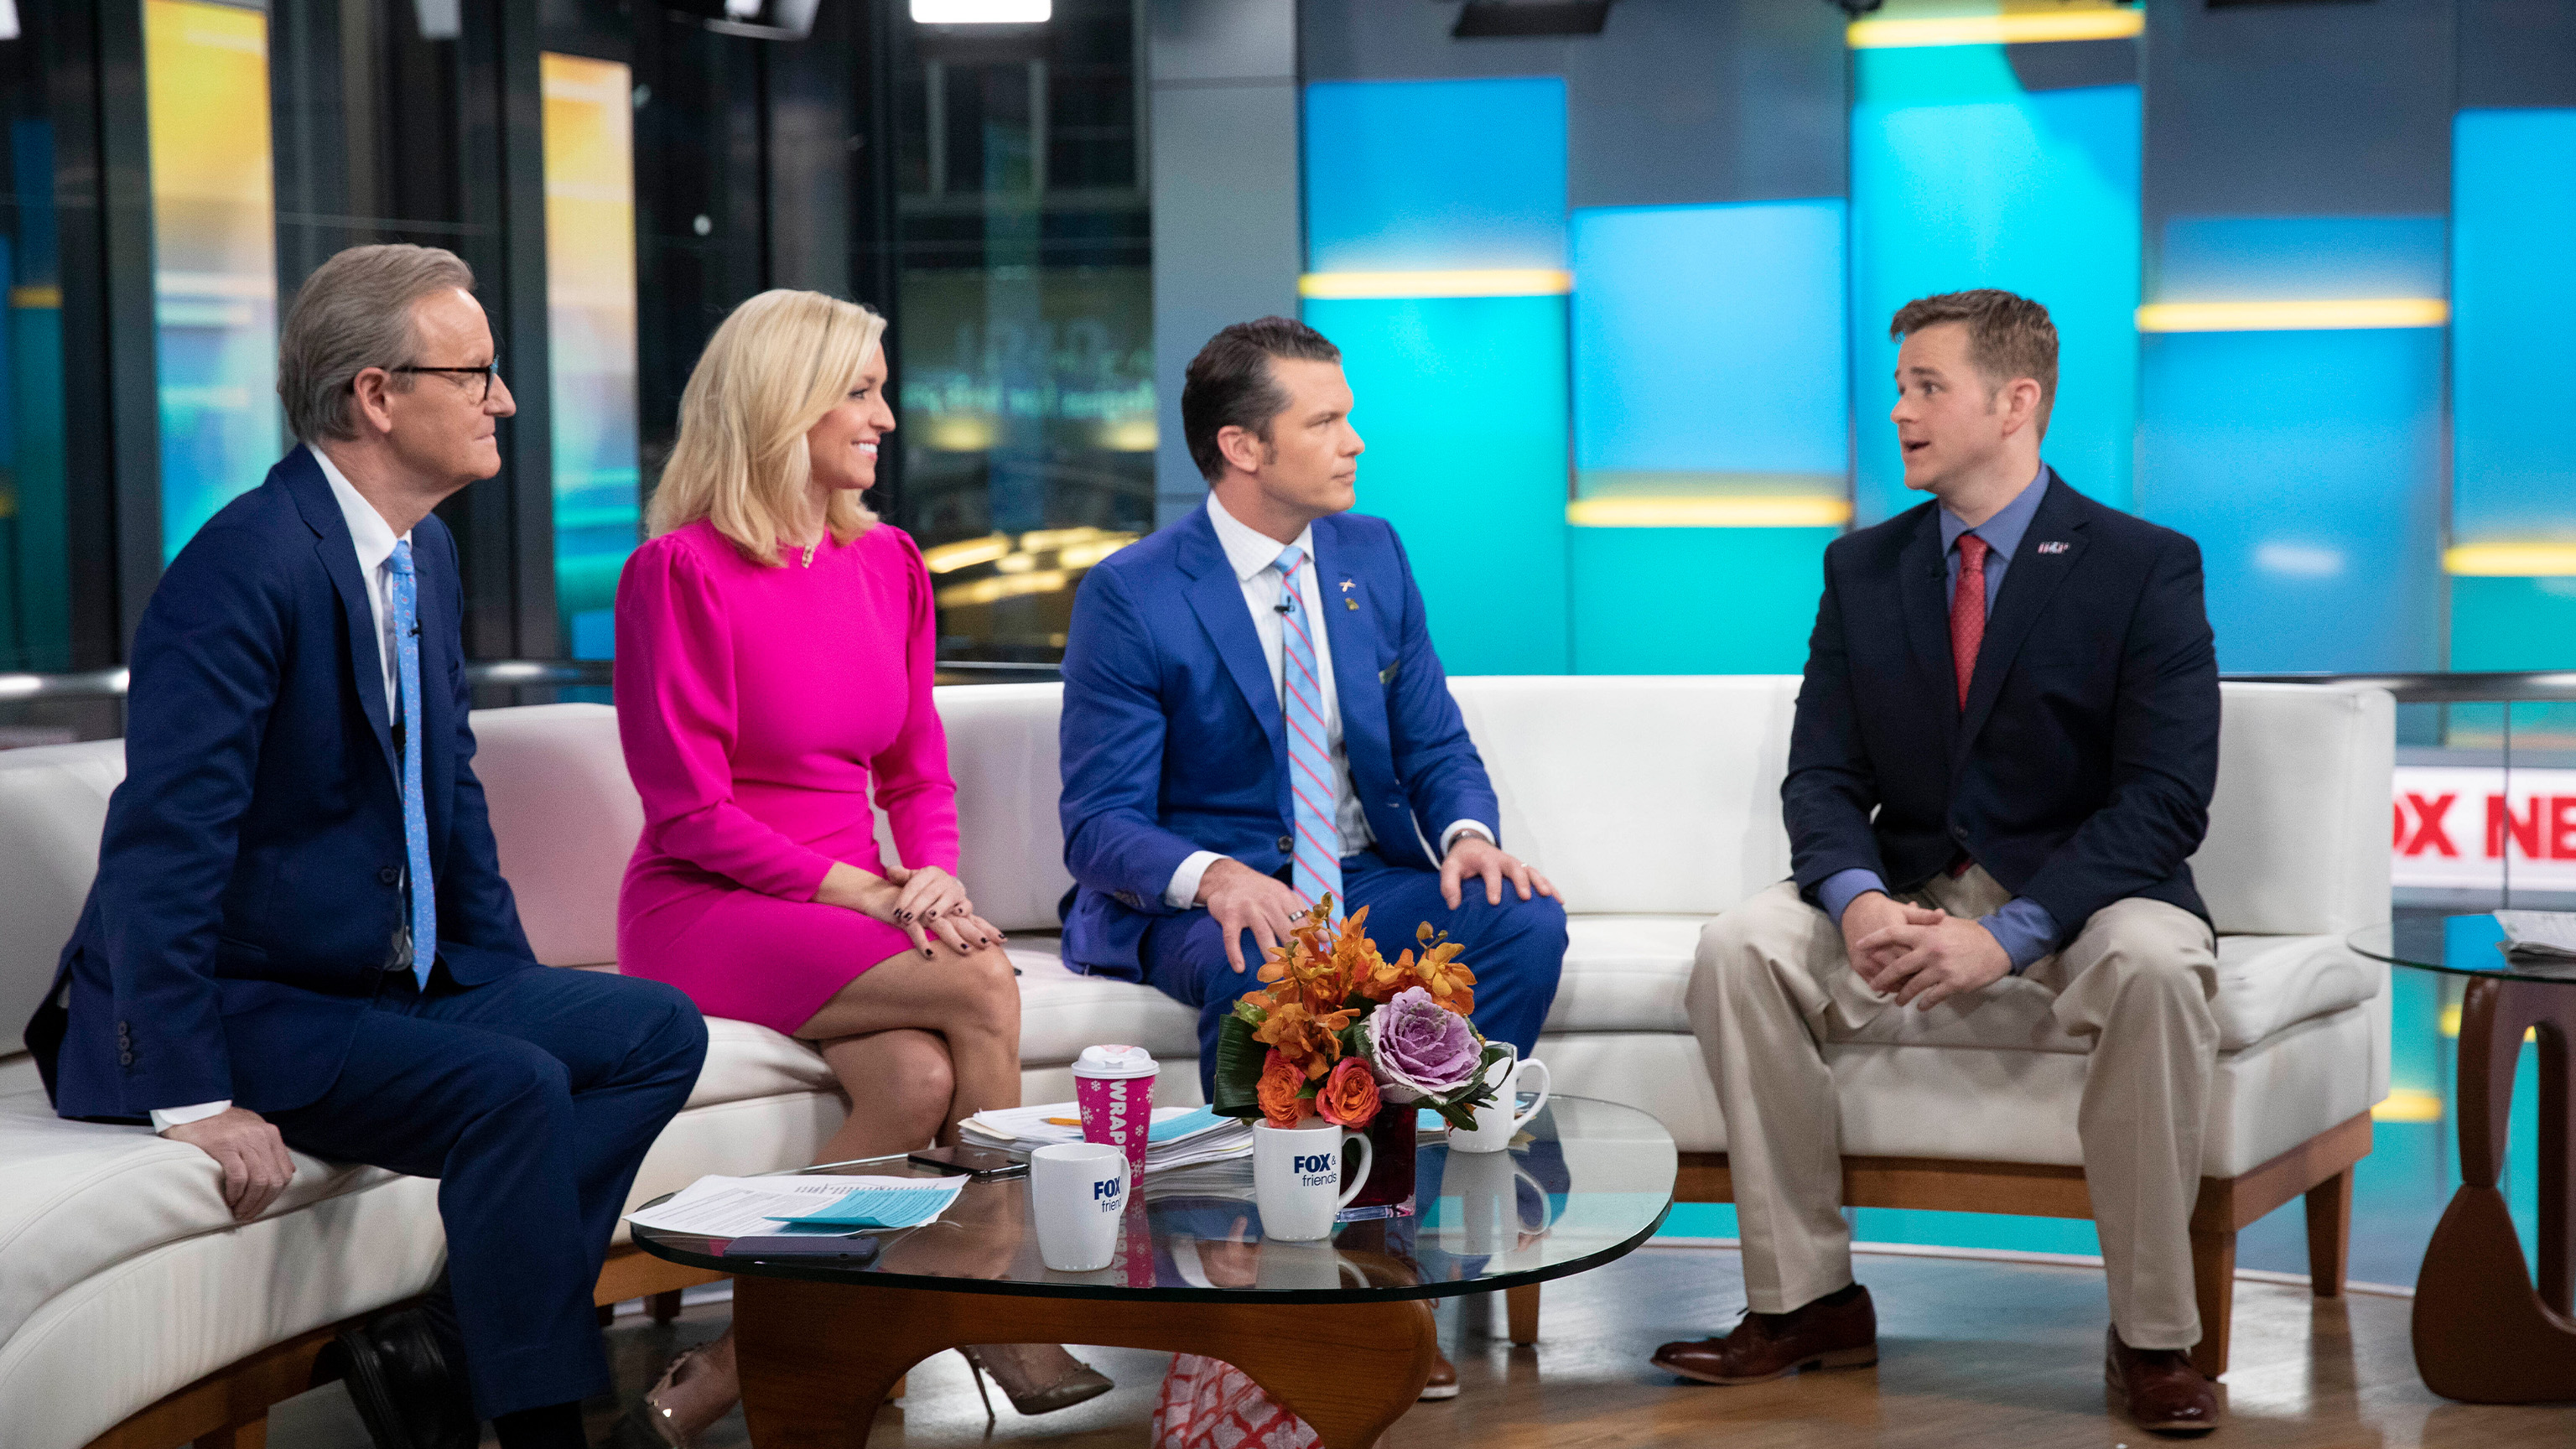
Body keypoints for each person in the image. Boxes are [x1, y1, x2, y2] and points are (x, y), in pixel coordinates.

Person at [20, 244, 709, 1449]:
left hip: (377, 984)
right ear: (376, 396)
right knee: (514, 1089)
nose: (504, 399)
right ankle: (536, 1426)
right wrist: (190, 1094)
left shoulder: (419, 553)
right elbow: (163, 846)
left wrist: (503, 982)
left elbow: (448, 790)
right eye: (477, 372)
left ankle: (442, 1333)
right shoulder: (243, 568)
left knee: (653, 1029)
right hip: (243, 1005)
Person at [1652, 290, 2225, 1434]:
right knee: (1740, 947)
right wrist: (1858, 902)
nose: (1902, 411)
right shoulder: (1863, 569)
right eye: (1901, 386)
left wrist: (2007, 935)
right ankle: (1805, 1300)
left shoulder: (2142, 565)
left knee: (2161, 967)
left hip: (2084, 897)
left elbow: (2166, 800)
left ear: (2017, 403)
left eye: (1929, 386)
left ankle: (2155, 1337)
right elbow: (1820, 779)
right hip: (1908, 882)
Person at [610, 288, 1108, 1444]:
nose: (887, 415)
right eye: (861, 390)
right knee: (984, 982)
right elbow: (687, 814)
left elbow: (915, 775)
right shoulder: (677, 573)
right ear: (786, 405)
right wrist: (876, 894)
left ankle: (730, 1367)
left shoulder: (887, 563)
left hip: (860, 907)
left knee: (917, 1087)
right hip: (712, 905)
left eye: (882, 390)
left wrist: (934, 877)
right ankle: (989, 1299)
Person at [1058, 315, 1569, 1403]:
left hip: (1363, 876)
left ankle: (1417, 1266)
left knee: (1520, 921)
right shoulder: (1134, 593)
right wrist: (1215, 875)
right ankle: (1293, 1304)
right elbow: (1099, 821)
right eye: (1327, 420)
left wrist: (1471, 840)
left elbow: (1434, 742)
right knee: (1275, 971)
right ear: (1244, 447)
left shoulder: (1370, 555)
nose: (1357, 442)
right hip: (1219, 897)